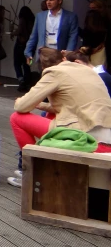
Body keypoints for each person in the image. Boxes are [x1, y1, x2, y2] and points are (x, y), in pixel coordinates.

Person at [7, 47, 111, 187]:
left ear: (43, 67)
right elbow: (72, 106)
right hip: (106, 134)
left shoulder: (54, 72)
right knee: (51, 114)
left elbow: (22, 106)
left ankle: (33, 172)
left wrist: (19, 101)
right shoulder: (86, 70)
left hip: (83, 136)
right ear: (63, 59)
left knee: (17, 118)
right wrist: (43, 106)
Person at [25, 0, 80, 65]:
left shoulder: (70, 17)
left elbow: (73, 36)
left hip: (60, 53)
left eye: (51, 0)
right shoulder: (40, 16)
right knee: (44, 75)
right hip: (44, 53)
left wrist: (68, 53)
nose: (48, 2)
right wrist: (28, 52)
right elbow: (34, 35)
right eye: (47, 0)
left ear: (59, 1)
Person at [12, 6, 35, 92]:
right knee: (28, 64)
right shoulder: (33, 21)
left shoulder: (22, 20)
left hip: (20, 45)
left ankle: (21, 80)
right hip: (30, 46)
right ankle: (28, 82)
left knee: (17, 63)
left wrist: (13, 33)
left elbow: (19, 31)